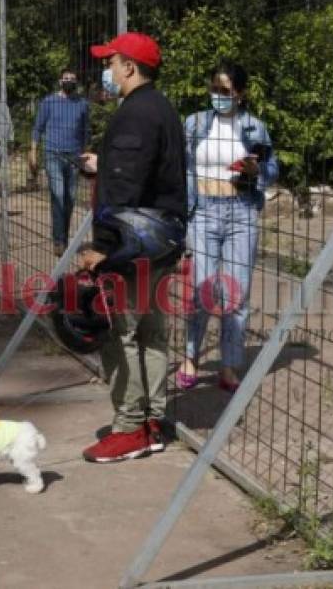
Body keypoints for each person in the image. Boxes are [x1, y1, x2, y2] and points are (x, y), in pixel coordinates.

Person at [78, 33, 187, 463]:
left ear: (129, 67)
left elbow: (123, 190)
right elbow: (143, 174)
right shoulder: (162, 108)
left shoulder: (133, 114)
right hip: (162, 239)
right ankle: (154, 423)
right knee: (152, 333)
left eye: (112, 62)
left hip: (134, 245)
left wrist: (104, 251)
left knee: (117, 330)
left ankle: (129, 428)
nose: (108, 71)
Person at [176, 60, 279, 393]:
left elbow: (272, 168)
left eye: (226, 91)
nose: (218, 96)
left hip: (241, 211)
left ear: (240, 93)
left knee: (238, 291)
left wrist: (256, 172)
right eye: (214, 89)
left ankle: (230, 365)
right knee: (203, 288)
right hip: (203, 210)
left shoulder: (255, 128)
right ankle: (190, 356)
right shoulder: (193, 123)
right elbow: (178, 164)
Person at [31, 68, 91, 256]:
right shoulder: (49, 101)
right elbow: (38, 127)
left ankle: (64, 237)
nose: (69, 81)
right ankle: (59, 241)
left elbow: (86, 130)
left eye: (72, 79)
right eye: (66, 78)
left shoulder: (82, 104)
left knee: (70, 198)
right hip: (53, 154)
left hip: (74, 156)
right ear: (59, 81)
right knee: (58, 196)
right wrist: (33, 150)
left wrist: (85, 153)